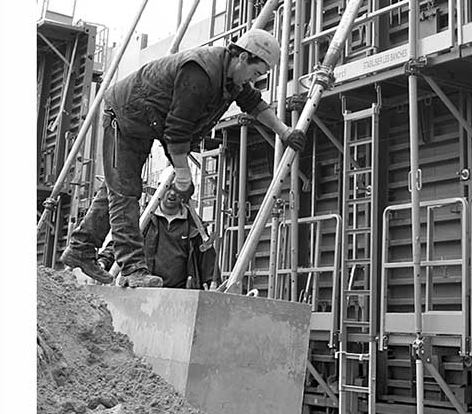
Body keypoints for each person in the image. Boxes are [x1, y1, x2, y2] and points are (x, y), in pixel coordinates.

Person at [60, 29, 305, 289]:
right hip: (125, 116)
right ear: (243, 57)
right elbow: (177, 131)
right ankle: (133, 270)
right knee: (125, 192)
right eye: (256, 73)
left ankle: (81, 247)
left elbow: (254, 104)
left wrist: (285, 132)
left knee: (117, 186)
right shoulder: (200, 72)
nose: (253, 80)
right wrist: (184, 175)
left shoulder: (232, 78)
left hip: (145, 121)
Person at [98, 186, 218, 290]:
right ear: (161, 189)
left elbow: (207, 261)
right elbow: (122, 243)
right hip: (144, 291)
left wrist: (214, 284)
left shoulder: (195, 226)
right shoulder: (144, 221)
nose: (172, 193)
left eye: (177, 189)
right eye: (169, 188)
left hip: (181, 296)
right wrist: (103, 261)